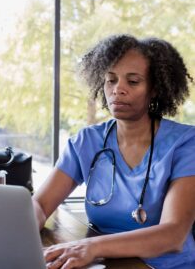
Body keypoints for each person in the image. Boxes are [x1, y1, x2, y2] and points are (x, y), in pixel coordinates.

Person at [33, 34, 195, 269]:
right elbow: (40, 204)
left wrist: (92, 247)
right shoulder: (86, 141)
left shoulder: (185, 143)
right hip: (110, 264)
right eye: (111, 80)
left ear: (155, 89)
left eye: (133, 81)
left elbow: (173, 234)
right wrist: (28, 221)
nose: (118, 90)